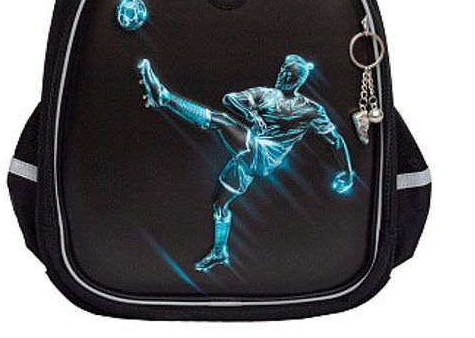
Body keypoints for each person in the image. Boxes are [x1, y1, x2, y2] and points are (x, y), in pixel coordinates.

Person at [138, 54, 354, 272]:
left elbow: (335, 140)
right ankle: (219, 252)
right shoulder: (265, 94)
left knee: (221, 120)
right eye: (282, 71)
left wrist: (348, 172)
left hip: (264, 156)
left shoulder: (311, 110)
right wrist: (251, 114)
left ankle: (165, 98)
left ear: (298, 81)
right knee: (220, 205)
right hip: (246, 159)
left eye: (289, 75)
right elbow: (229, 99)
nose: (282, 76)